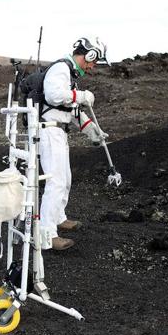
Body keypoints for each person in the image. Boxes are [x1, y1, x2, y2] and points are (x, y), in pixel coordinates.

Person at [40, 37, 109, 250]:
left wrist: (92, 131)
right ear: (88, 55)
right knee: (56, 182)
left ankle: (59, 217)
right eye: (93, 62)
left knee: (65, 178)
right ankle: (46, 234)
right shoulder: (60, 68)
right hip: (49, 130)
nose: (92, 67)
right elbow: (53, 96)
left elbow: (73, 112)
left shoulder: (69, 75)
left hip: (59, 131)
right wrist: (81, 95)